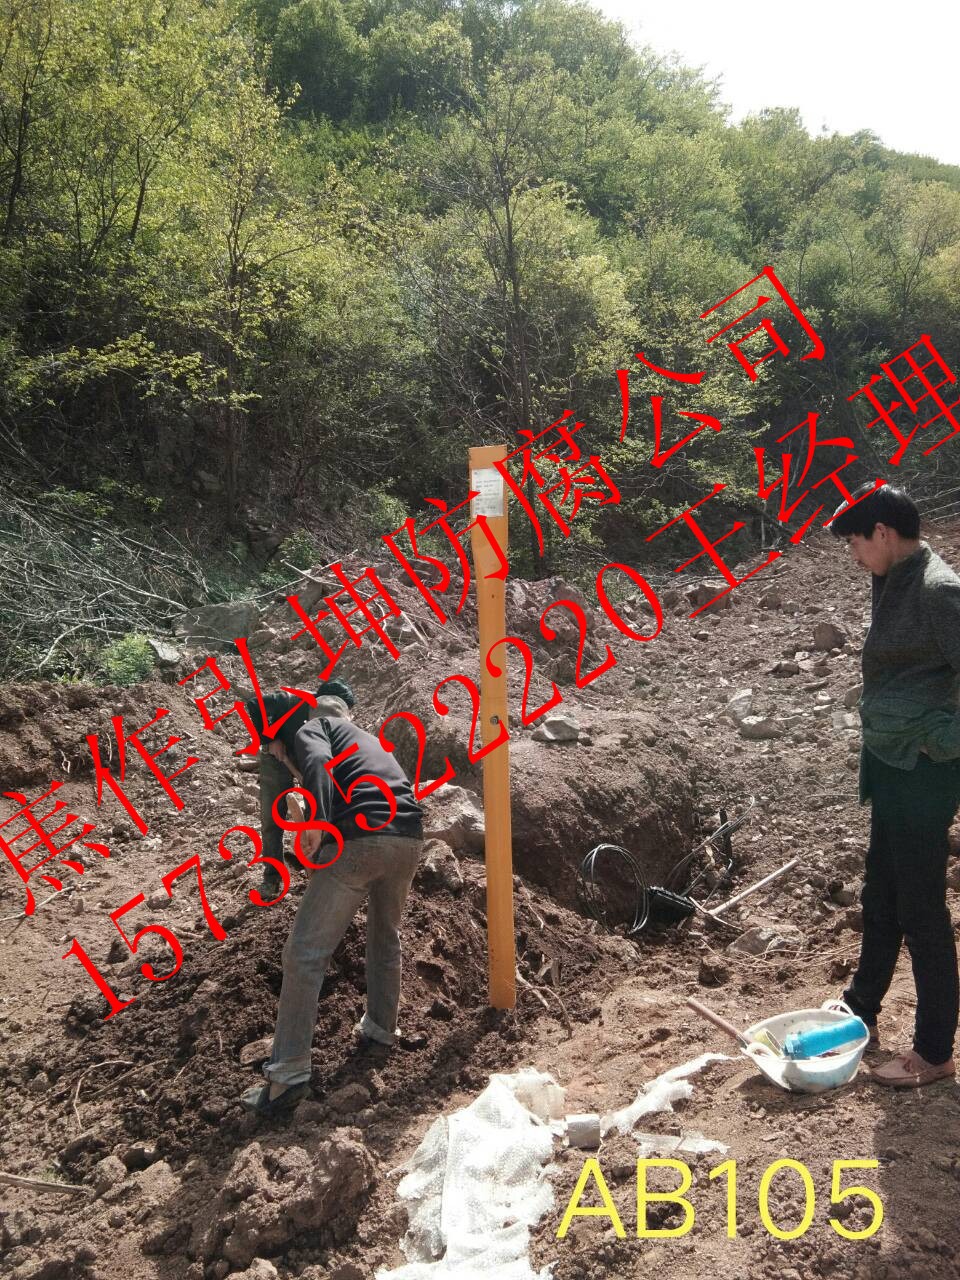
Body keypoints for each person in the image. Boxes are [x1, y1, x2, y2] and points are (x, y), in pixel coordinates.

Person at [241, 690, 425, 1116]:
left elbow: (318, 764)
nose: (277, 756)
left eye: (272, 747)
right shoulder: (360, 736)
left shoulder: (310, 729)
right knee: (385, 938)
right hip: (408, 838)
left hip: (361, 840)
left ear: (281, 732)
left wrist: (320, 828)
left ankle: (286, 1080)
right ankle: (380, 1031)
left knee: (303, 954)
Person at [831, 484, 960, 1087]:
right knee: (880, 889)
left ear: (882, 533)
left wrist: (940, 739)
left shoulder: (938, 590)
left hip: (924, 772)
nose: (853, 554)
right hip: (890, 763)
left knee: (921, 906)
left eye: (856, 541)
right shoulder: (892, 578)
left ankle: (933, 1051)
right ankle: (861, 1006)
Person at [243, 678, 356, 898]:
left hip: (308, 761)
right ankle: (272, 877)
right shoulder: (290, 701)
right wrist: (271, 738)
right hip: (277, 757)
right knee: (273, 817)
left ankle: (317, 869)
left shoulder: (338, 723)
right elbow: (254, 704)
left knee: (317, 816)